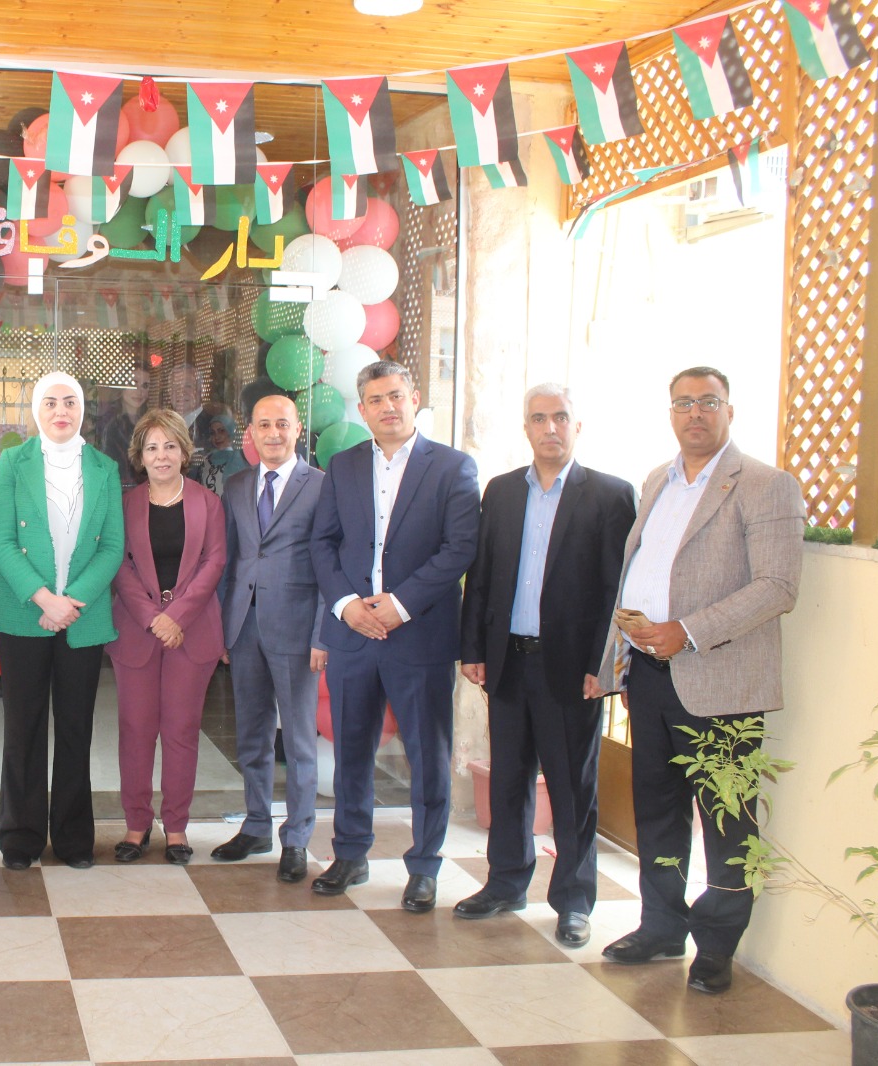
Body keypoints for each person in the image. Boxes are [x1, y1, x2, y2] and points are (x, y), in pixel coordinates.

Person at [596, 367, 803, 995]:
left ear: (729, 411)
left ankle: (716, 946)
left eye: (707, 401)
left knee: (726, 820)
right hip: (650, 677)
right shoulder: (657, 480)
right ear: (670, 413)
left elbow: (777, 586)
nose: (695, 413)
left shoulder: (765, 485)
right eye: (683, 403)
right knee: (657, 810)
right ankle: (661, 926)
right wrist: (618, 656)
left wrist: (686, 631)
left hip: (720, 684)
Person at [457, 384, 636, 948]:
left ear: (577, 426)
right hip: (509, 661)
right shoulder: (503, 491)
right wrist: (473, 649)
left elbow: (615, 590)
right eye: (539, 418)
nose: (550, 427)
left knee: (572, 787)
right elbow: (481, 576)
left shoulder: (609, 495)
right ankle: (506, 883)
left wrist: (604, 665)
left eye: (560, 417)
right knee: (509, 780)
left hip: (572, 671)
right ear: (526, 428)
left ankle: (574, 901)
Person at [310, 360, 479, 908]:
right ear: (362, 410)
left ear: (415, 398)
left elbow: (459, 548)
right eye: (376, 400)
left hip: (419, 634)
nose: (387, 407)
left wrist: (400, 606)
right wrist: (346, 606)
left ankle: (425, 865)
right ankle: (350, 853)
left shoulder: (452, 467)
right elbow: (323, 544)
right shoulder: (343, 466)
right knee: (351, 751)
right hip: (353, 634)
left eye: (396, 396)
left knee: (427, 756)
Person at [0, 371, 125, 869]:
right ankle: (19, 838)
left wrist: (71, 601)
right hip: (24, 613)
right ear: (36, 410)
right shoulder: (12, 462)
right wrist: (44, 599)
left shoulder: (104, 467)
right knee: (23, 728)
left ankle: (73, 839)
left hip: (82, 617)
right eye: (50, 402)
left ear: (82, 409)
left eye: (70, 402)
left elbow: (112, 546)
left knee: (77, 729)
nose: (61, 411)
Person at [213, 395, 327, 882]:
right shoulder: (237, 485)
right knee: (252, 735)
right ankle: (257, 824)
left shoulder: (321, 486)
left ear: (297, 429)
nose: (273, 433)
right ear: (252, 433)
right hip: (244, 628)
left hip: (298, 630)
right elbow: (229, 560)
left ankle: (297, 837)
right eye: (264, 425)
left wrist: (323, 633)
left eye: (282, 424)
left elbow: (330, 566)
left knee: (298, 740)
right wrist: (223, 627)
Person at [108, 410, 226, 865]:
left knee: (181, 732)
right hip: (137, 632)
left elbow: (215, 563)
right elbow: (119, 565)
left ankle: (176, 827)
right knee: (135, 731)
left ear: (184, 452)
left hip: (191, 633)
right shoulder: (125, 505)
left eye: (170, 446)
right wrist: (152, 617)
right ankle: (136, 824)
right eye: (152, 448)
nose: (162, 456)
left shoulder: (208, 503)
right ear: (139, 456)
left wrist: (175, 616)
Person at [99, 365, 149, 491]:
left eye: (145, 385)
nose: (139, 391)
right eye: (133, 383)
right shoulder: (110, 425)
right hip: (120, 493)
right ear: (121, 387)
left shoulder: (149, 422)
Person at [194, 407, 249, 495]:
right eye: (213, 433)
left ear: (231, 431)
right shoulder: (207, 460)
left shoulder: (241, 460)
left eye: (222, 431)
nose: (217, 437)